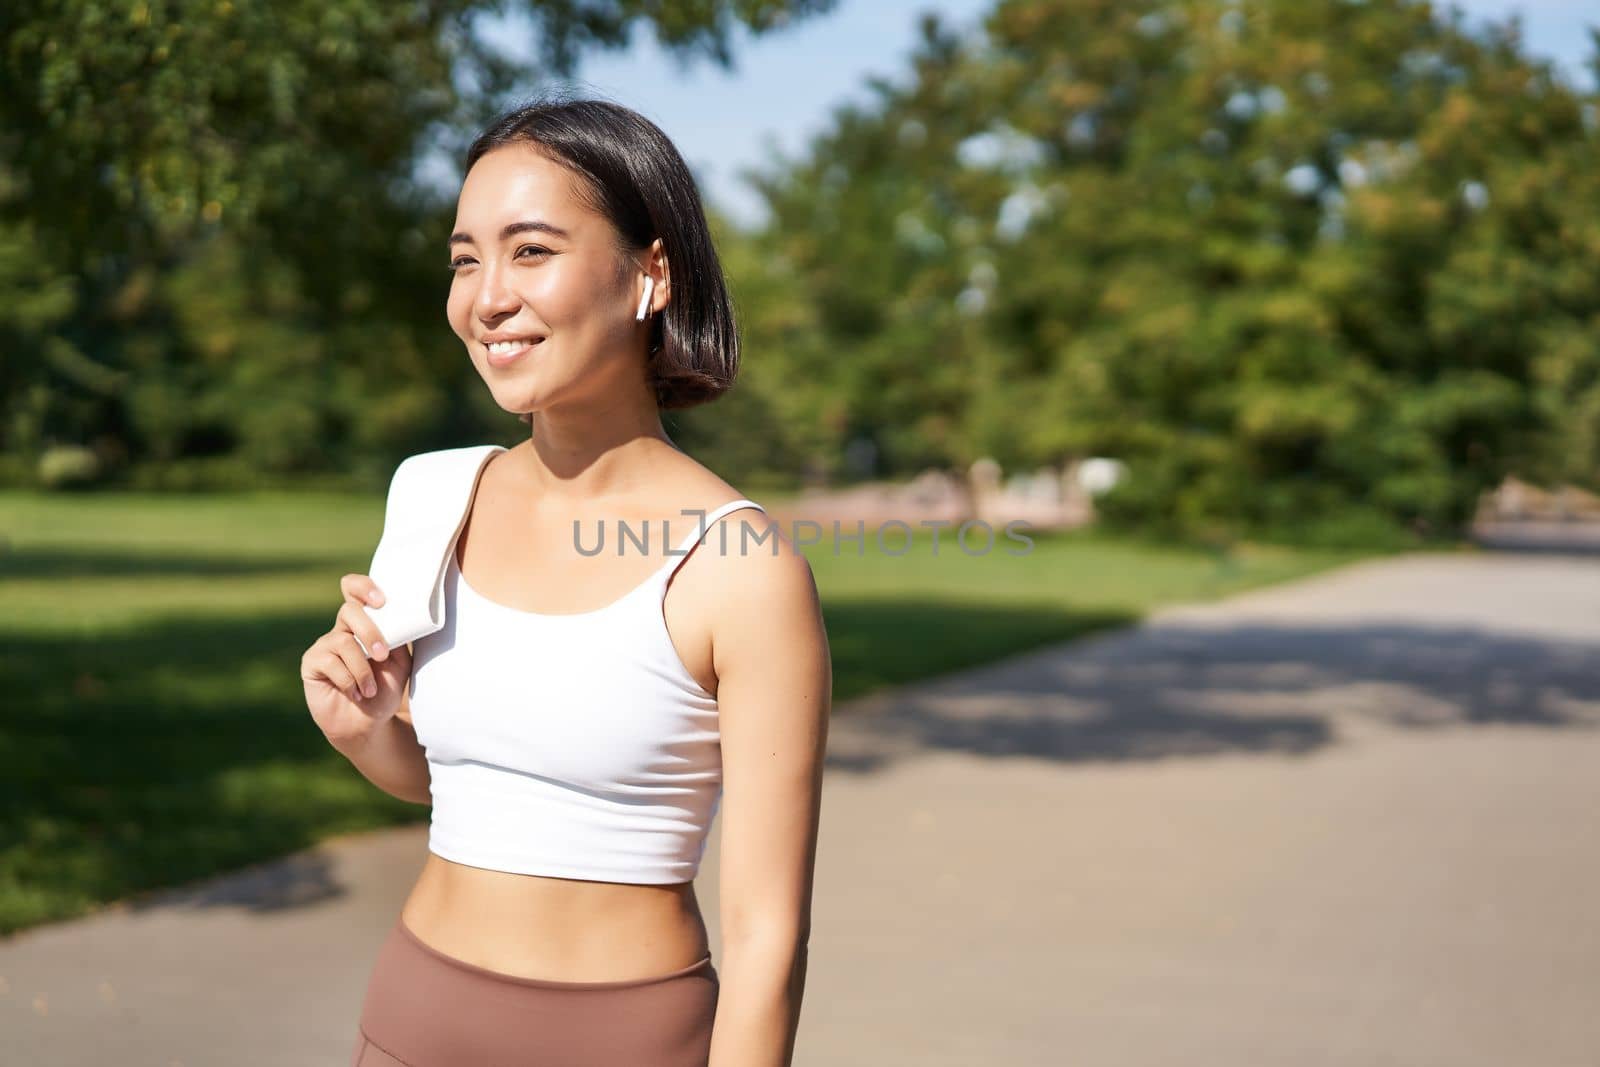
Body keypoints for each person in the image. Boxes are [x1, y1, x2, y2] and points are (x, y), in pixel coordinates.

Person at [299, 94, 832, 1067]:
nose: (485, 297)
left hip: (624, 1037)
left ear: (651, 273)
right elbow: (471, 791)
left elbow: (767, 940)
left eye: (531, 251)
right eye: (465, 259)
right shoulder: (433, 495)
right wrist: (366, 732)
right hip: (414, 1016)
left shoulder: (737, 566)